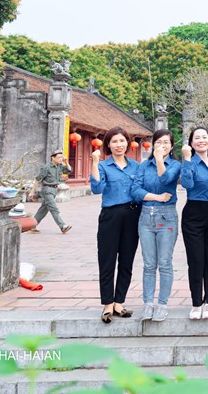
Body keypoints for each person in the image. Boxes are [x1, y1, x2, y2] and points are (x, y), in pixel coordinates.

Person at [89, 127, 140, 324]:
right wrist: (94, 163)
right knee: (107, 259)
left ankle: (119, 302)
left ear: (128, 143)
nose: (119, 145)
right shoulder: (103, 166)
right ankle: (107, 303)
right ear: (108, 145)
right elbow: (97, 188)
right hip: (110, 216)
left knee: (127, 260)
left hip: (132, 215)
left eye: (122, 141)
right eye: (114, 141)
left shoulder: (136, 166)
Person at [130, 129, 180, 322]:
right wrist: (157, 197)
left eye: (166, 142)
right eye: (159, 142)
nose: (162, 145)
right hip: (146, 216)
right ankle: (148, 303)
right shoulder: (144, 165)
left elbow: (166, 179)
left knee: (165, 263)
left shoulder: (175, 165)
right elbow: (135, 190)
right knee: (149, 264)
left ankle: (162, 304)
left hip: (167, 217)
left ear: (172, 146)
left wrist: (159, 160)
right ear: (153, 145)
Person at [180, 126, 208, 320]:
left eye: (204, 137)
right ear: (191, 143)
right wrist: (187, 159)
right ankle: (196, 302)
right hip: (193, 213)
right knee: (196, 260)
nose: (201, 140)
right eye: (196, 138)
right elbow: (187, 184)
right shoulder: (189, 162)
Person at [31, 150, 73, 234]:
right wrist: (32, 191)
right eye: (59, 157)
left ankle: (31, 226)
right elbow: (38, 179)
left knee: (43, 210)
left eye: (61, 157)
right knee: (54, 209)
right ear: (53, 158)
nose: (61, 159)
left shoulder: (60, 166)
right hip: (47, 190)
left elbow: (69, 171)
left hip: (54, 190)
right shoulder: (46, 167)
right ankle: (62, 226)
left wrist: (66, 162)